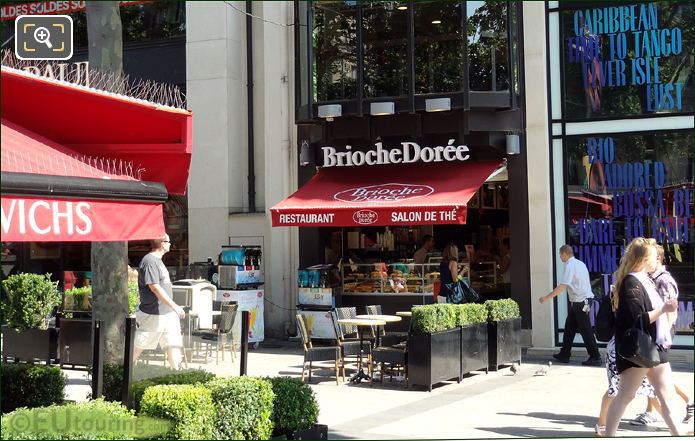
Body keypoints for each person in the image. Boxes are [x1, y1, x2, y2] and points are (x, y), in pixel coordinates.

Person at [604, 237, 680, 436]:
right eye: (654, 256)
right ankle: (610, 433)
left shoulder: (646, 279)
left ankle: (677, 433)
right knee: (625, 396)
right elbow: (637, 318)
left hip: (655, 346)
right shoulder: (631, 283)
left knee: (666, 396)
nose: (657, 259)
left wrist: (667, 313)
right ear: (644, 258)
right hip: (640, 348)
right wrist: (664, 308)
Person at [628, 244, 693, 427]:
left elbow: (669, 310)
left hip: (660, 334)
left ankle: (671, 408)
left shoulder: (663, 280)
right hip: (656, 333)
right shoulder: (649, 278)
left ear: (657, 258)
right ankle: (655, 410)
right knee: (654, 374)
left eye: (649, 256)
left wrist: (664, 337)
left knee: (656, 373)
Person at [539, 244, 602, 366]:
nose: (560, 257)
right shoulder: (580, 263)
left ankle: (595, 356)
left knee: (585, 329)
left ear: (564, 254)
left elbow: (562, 286)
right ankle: (564, 354)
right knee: (569, 327)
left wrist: (546, 298)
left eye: (560, 255)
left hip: (580, 301)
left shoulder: (570, 265)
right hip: (583, 300)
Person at [132, 234, 186, 370]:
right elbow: (154, 287)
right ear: (162, 243)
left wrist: (172, 308)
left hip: (167, 312)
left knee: (173, 343)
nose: (170, 244)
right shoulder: (149, 261)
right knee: (140, 345)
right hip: (153, 313)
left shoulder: (158, 261)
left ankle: (177, 374)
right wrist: (174, 305)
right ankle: (124, 374)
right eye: (168, 241)